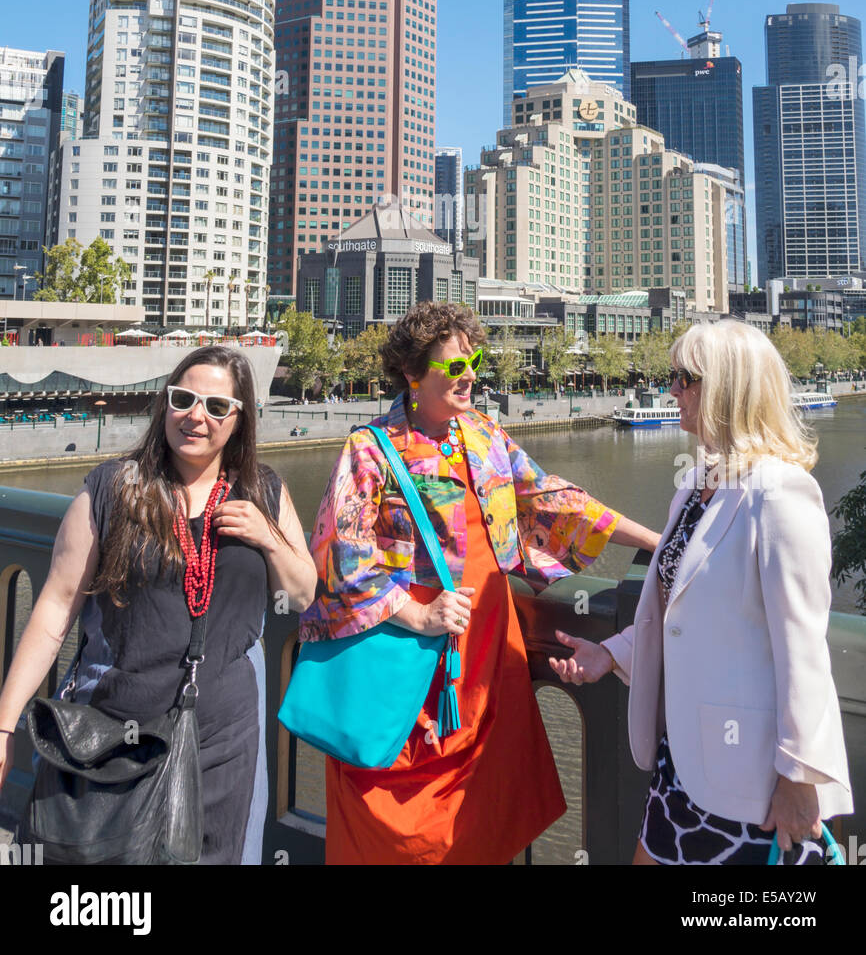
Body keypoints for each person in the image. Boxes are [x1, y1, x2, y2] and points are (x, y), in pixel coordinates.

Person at [300, 301, 660, 865]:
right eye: (454, 365)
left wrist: (655, 540)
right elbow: (340, 554)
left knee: (483, 812)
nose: (470, 375)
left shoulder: (485, 436)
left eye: (474, 361)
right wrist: (417, 615)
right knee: (397, 818)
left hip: (486, 649)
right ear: (413, 376)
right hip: (407, 652)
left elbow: (553, 500)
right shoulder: (368, 449)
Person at [551, 321, 853, 865]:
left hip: (751, 784)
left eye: (684, 378)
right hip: (682, 760)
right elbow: (680, 614)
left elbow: (803, 649)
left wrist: (801, 778)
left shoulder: (781, 494)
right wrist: (611, 653)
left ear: (728, 388)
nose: (671, 391)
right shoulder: (695, 487)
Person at [0, 345, 317, 864]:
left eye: (217, 407)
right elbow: (55, 611)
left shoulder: (264, 491)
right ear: (165, 404)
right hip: (113, 736)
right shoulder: (112, 488)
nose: (197, 416)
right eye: (184, 399)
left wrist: (269, 538)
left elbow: (301, 594)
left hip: (220, 738)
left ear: (239, 420)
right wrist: (5, 724)